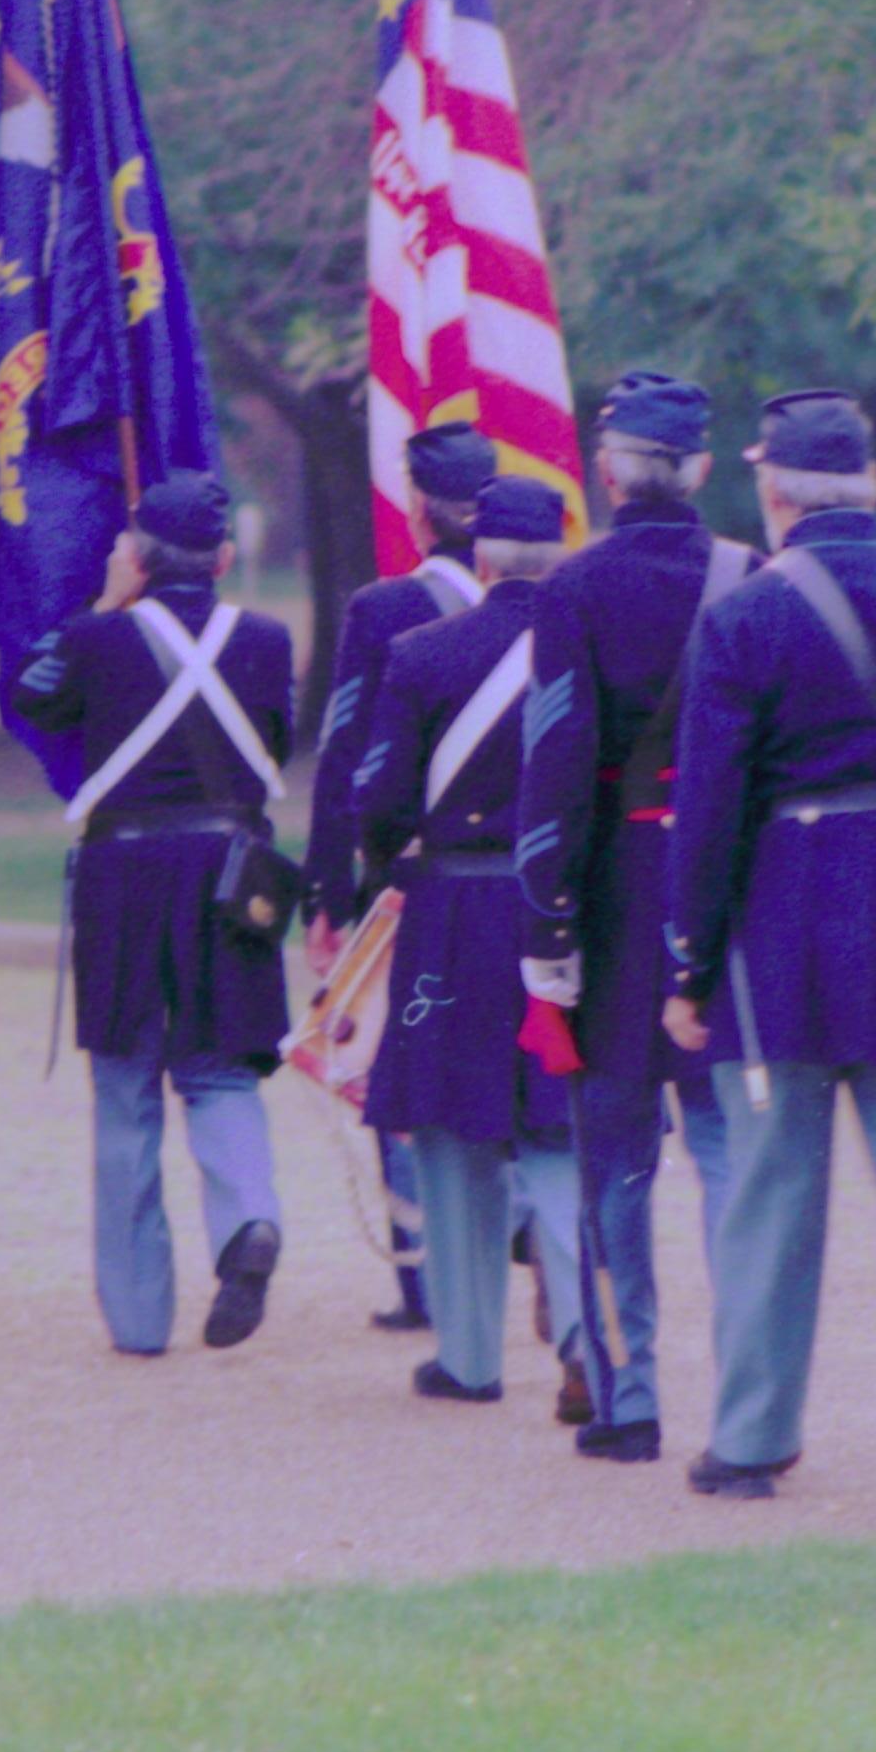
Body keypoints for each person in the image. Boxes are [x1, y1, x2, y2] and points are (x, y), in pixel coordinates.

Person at [662, 389, 876, 1500]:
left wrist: (687, 966)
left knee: (768, 1197)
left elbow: (709, 811)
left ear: (771, 492)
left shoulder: (744, 618)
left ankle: (752, 1438)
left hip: (783, 932)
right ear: (869, 487)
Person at [515, 371, 749, 1463]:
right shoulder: (755, 578)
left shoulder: (574, 588)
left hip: (613, 899)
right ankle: (753, 1396)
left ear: (606, 473)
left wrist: (545, 921)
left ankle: (627, 1398)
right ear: (699, 469)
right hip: (727, 897)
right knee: (733, 1162)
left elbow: (553, 769)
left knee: (614, 1165)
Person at [9, 472, 293, 1359]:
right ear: (222, 558)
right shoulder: (268, 640)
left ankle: (138, 1319)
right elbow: (275, 743)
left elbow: (34, 695)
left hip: (124, 877)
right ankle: (247, 1219)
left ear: (137, 556)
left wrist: (102, 601)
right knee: (219, 1076)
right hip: (226, 873)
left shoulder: (95, 640)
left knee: (127, 1090)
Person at [352, 475, 590, 1406]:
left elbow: (378, 799)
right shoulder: (589, 653)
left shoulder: (420, 652)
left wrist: (388, 864)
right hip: (557, 911)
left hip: (450, 914)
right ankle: (581, 1334)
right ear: (557, 555)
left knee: (451, 1135)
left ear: (480, 558)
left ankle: (470, 1357)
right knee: (556, 1136)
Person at [306, 420, 501, 1332]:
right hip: (520, 883)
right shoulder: (546, 600)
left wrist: (325, 891)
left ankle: (428, 1280)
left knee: (404, 1068)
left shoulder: (385, 610)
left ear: (419, 509)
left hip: (406, 891)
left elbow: (345, 761)